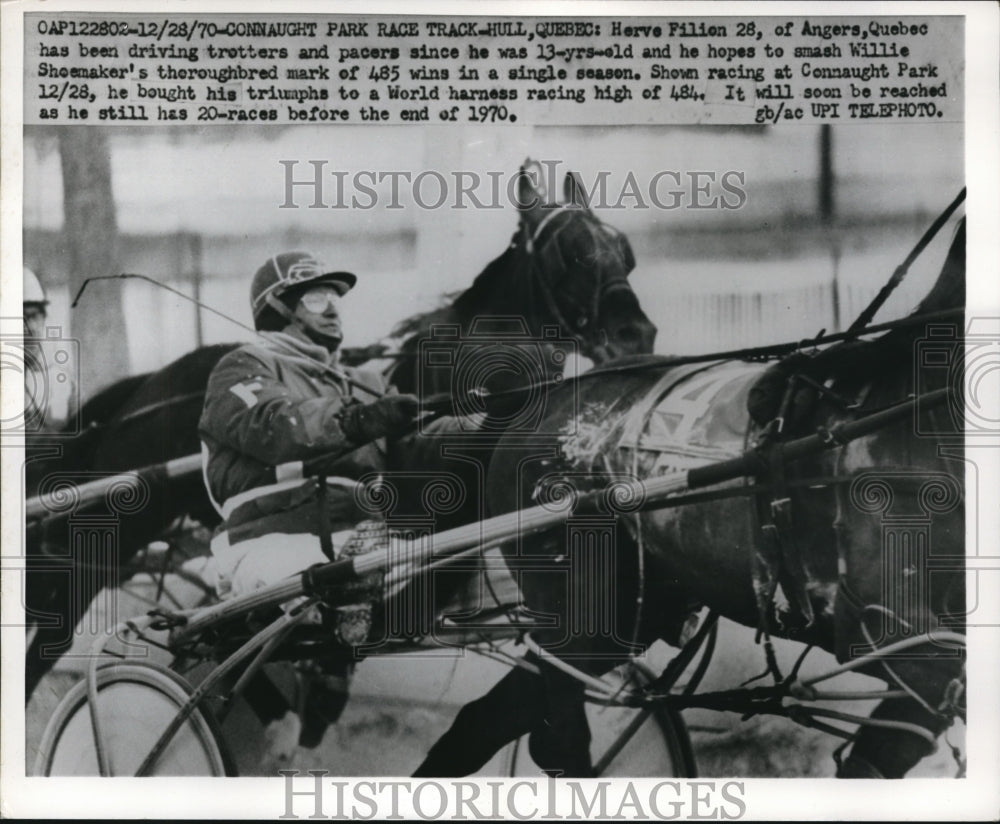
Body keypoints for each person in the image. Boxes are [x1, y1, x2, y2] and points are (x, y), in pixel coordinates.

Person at [198, 251, 420, 745]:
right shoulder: (243, 366)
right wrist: (362, 419)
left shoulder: (362, 383)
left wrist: (478, 428)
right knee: (367, 555)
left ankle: (352, 602)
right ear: (278, 305)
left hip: (357, 530)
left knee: (442, 548)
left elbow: (410, 452)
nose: (334, 308)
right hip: (273, 535)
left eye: (336, 297)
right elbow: (275, 427)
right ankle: (348, 596)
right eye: (318, 296)